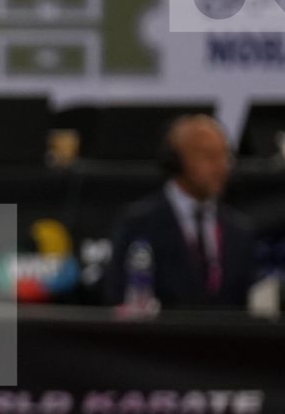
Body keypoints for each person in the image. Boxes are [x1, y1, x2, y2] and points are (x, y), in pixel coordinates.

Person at [102, 114, 256, 310]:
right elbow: (119, 297)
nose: (221, 166)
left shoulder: (239, 232)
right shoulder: (138, 224)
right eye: (209, 156)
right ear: (176, 161)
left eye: (225, 156)